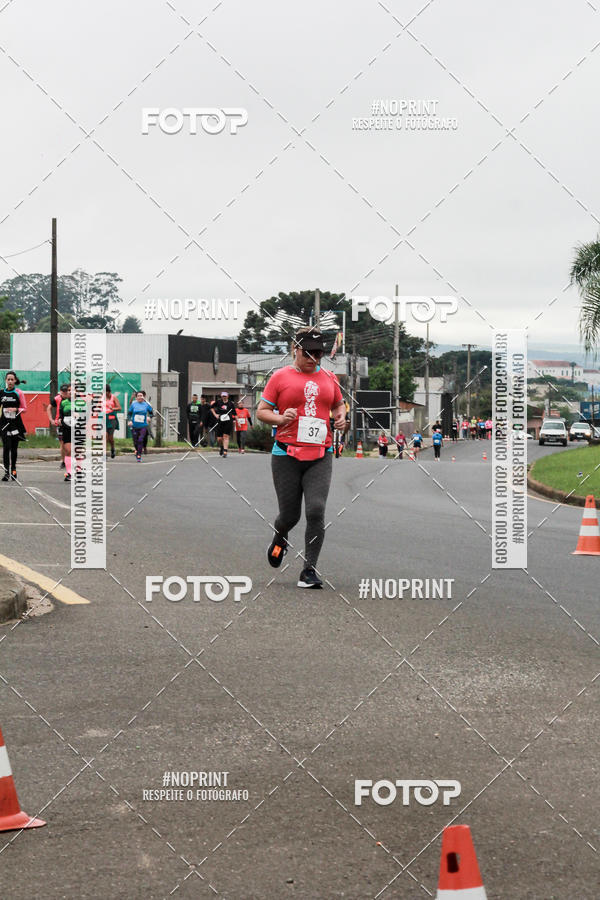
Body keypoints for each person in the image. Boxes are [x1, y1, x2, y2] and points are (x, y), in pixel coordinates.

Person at [256, 327, 346, 589]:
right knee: (289, 516)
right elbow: (262, 411)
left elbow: (338, 404)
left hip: (320, 454)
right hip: (286, 454)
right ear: (295, 348)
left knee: (316, 510)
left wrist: (340, 416)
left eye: (318, 353)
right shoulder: (280, 377)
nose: (312, 357)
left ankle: (309, 570)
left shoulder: (329, 378)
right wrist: (280, 418)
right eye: (307, 352)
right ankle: (280, 536)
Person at [1, 371, 27, 481]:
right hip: (4, 424)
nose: (10, 381)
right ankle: (6, 472)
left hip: (15, 424)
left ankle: (14, 470)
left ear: (15, 381)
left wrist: (16, 409)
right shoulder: (1, 393)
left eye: (12, 379)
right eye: (8, 379)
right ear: (5, 381)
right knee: (6, 447)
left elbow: (24, 409)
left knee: (14, 448)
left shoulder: (19, 393)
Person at [128, 391, 153, 461]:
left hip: (143, 425)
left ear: (143, 397)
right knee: (135, 441)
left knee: (140, 439)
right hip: (134, 425)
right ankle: (137, 450)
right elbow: (129, 414)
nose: (140, 397)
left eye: (141, 395)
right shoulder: (133, 404)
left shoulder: (146, 405)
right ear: (136, 397)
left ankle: (139, 455)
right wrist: (129, 421)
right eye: (138, 396)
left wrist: (149, 418)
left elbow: (151, 413)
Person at [48, 383, 69, 468]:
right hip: (60, 424)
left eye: (66, 391)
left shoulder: (72, 399)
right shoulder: (57, 399)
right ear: (60, 392)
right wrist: (51, 420)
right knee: (62, 444)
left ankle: (70, 460)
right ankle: (63, 461)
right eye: (63, 391)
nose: (64, 393)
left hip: (71, 423)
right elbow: (48, 408)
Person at [211, 391, 237, 457]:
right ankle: (222, 447)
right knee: (219, 439)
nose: (224, 397)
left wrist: (237, 421)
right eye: (223, 396)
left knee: (226, 436)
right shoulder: (219, 402)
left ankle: (225, 451)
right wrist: (215, 414)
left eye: (225, 396)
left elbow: (235, 413)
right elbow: (211, 408)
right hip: (220, 421)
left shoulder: (231, 403)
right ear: (221, 396)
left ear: (227, 396)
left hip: (228, 421)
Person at [58, 383, 73, 482]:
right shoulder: (64, 403)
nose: (70, 392)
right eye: (68, 390)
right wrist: (59, 420)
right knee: (68, 450)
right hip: (67, 428)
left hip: (79, 429)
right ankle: (69, 473)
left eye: (72, 390)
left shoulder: (82, 402)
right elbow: (61, 415)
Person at [104, 384, 121, 459]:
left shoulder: (113, 397)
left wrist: (113, 408)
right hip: (104, 418)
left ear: (109, 392)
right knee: (105, 436)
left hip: (112, 419)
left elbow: (119, 408)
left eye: (106, 392)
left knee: (110, 438)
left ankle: (112, 448)